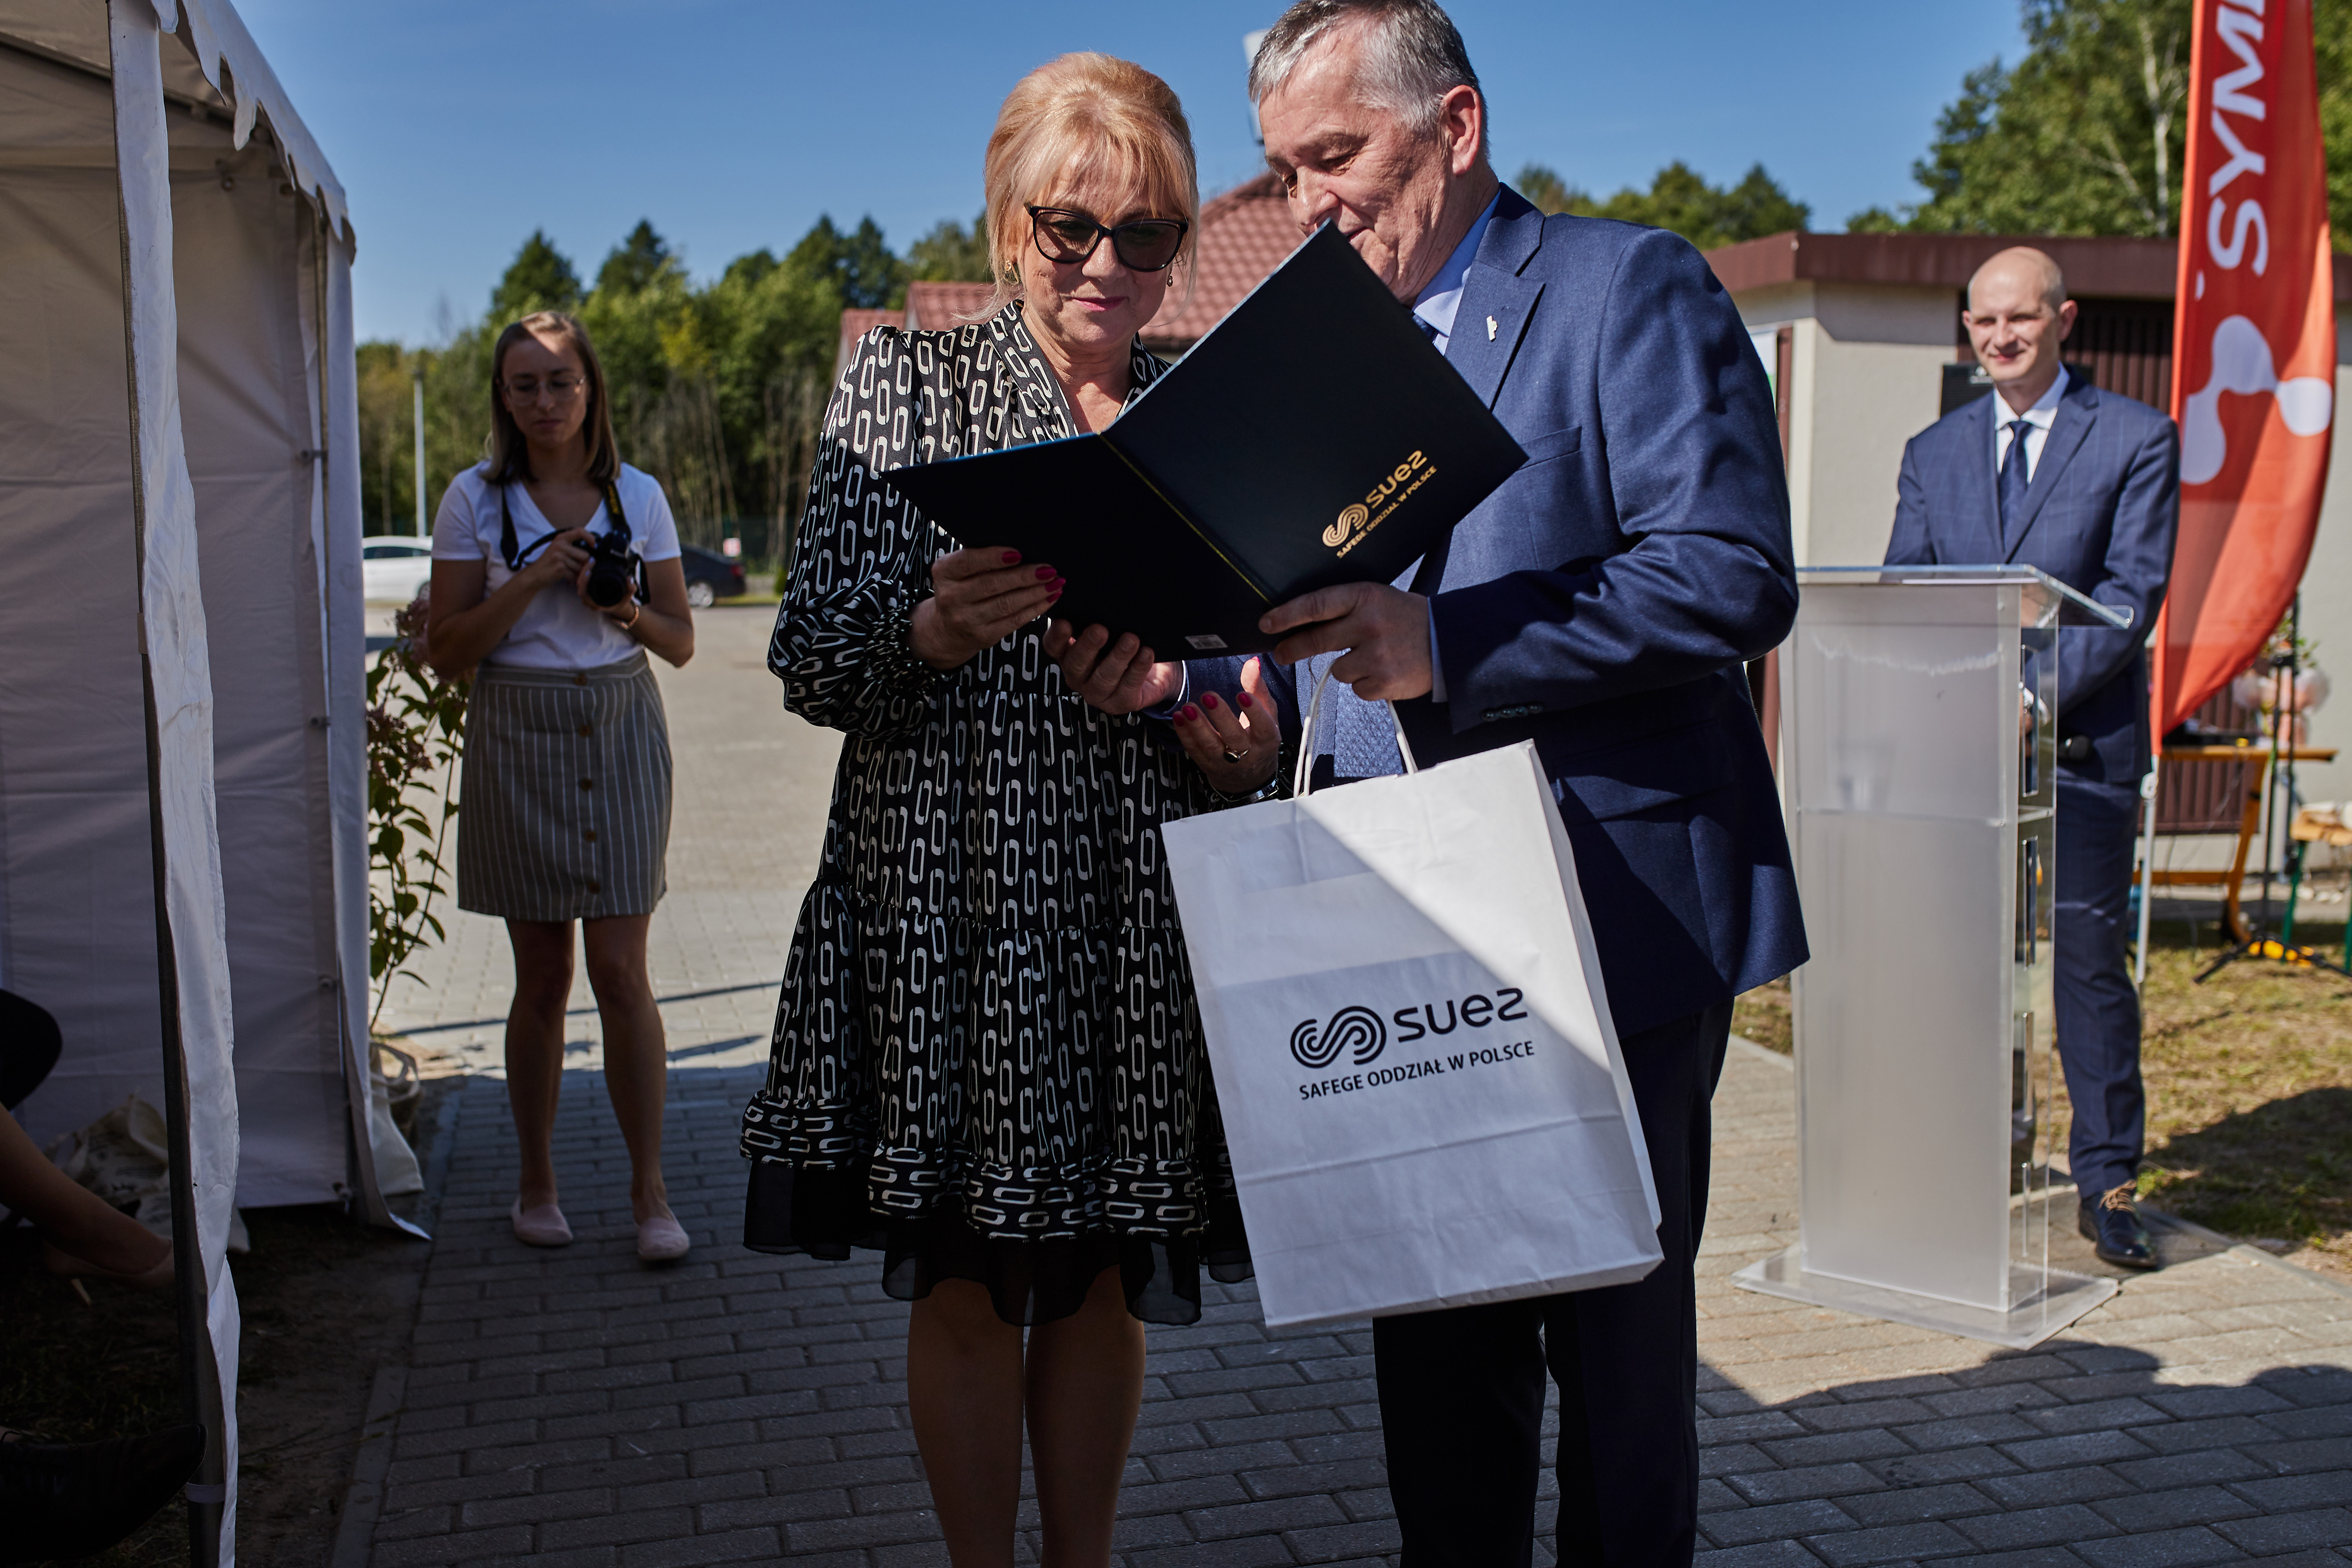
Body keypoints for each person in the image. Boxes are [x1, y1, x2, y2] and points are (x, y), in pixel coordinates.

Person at [1235, 3, 1807, 1561]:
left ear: (1458, 126)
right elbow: (1320, 618)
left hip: (1607, 917)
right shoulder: (1321, 351)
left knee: (1617, 1367)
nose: (1308, 204)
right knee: (1438, 1366)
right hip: (1394, 920)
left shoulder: (1628, 288)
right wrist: (1231, 683)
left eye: (1336, 155)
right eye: (1284, 172)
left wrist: (1450, 643)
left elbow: (1732, 572)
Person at [738, 55, 1274, 1568]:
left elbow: (1256, 676)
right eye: (1070, 227)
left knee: (1101, 1274)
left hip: (1133, 914)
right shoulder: (905, 387)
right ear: (1007, 223)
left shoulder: (1203, 415)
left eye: (1148, 231)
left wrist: (1227, 736)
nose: (1108, 264)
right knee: (966, 1278)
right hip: (947, 904)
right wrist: (928, 630)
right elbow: (807, 659)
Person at [1887, 246, 2179, 1270]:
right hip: (1963, 755)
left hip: (2084, 748)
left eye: (2020, 318)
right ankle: (1987, 1152)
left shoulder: (2137, 438)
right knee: (1975, 958)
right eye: (1983, 321)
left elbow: (2128, 601)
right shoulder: (1932, 452)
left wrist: (2028, 699)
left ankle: (2107, 1181)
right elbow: (1906, 590)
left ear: (2064, 319)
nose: (2000, 337)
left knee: (2087, 965)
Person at [428, 311, 698, 1263]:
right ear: (504, 398)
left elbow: (680, 642)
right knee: (542, 977)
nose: (545, 400)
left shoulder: (638, 495)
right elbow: (447, 650)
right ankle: (536, 1184)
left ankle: (650, 1193)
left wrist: (621, 607)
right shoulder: (473, 498)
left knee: (622, 973)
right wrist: (534, 576)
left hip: (620, 724)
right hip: (517, 727)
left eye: (561, 381)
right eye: (525, 384)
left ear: (591, 390)